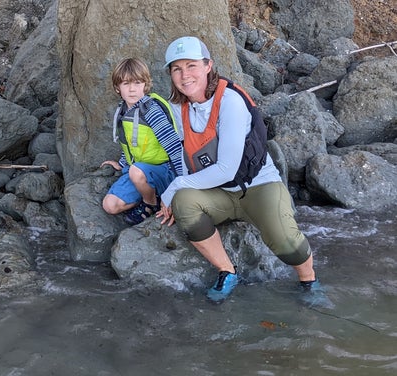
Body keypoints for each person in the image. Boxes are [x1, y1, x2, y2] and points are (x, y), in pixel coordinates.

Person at [157, 36, 330, 307]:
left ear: (208, 66)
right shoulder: (179, 107)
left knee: (286, 243)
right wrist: (171, 192)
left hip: (258, 185)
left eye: (191, 66)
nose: (184, 75)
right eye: (176, 69)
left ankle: (309, 281)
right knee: (184, 203)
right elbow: (183, 153)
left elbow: (227, 169)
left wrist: (173, 186)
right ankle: (227, 272)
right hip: (218, 193)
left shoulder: (231, 102)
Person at [101, 57, 183, 225]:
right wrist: (122, 163)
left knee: (136, 172)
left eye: (137, 83)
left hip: (165, 170)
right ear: (117, 88)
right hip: (140, 171)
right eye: (126, 84)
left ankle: (150, 204)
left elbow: (175, 148)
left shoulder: (151, 110)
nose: (132, 90)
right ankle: (153, 194)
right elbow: (129, 144)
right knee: (110, 205)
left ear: (145, 85)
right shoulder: (123, 111)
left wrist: (180, 189)